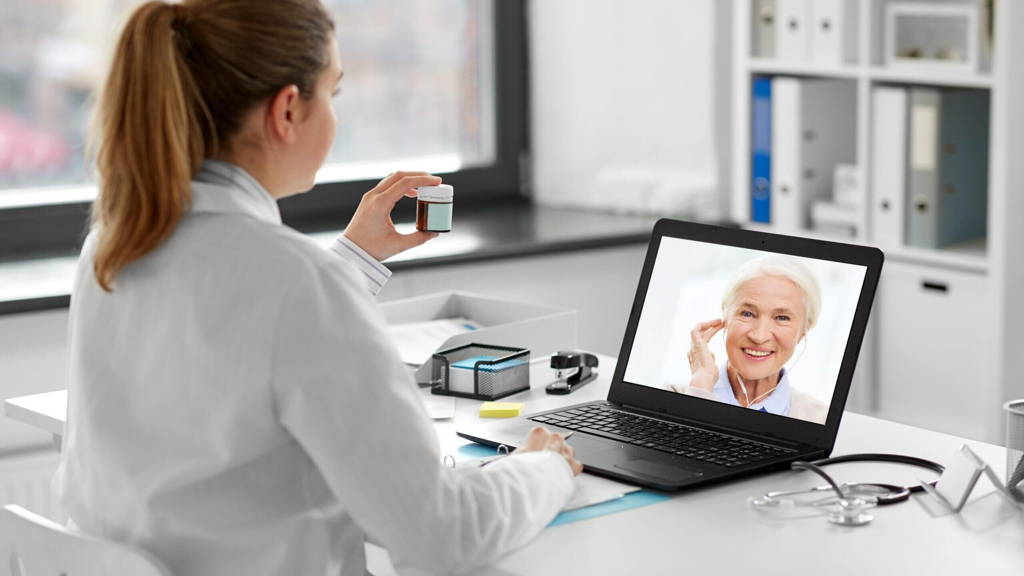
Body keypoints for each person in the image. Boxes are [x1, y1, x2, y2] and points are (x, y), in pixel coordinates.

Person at [52, 2, 582, 575]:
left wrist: (355, 259)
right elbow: (442, 535)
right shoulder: (295, 282)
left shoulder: (110, 248)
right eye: (333, 91)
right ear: (287, 110)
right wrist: (543, 468)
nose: (335, 112)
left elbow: (241, 334)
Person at [667, 255, 828, 423]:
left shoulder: (819, 420)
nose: (759, 336)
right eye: (747, 314)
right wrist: (701, 389)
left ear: (803, 331)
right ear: (726, 316)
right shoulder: (674, 396)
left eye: (782, 318)